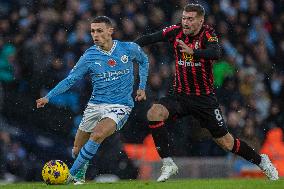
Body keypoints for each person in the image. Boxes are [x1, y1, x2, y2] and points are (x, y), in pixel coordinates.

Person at [135, 3, 279, 182]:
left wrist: (193, 52)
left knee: (227, 142)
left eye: (190, 19)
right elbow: (150, 38)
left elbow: (215, 53)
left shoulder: (208, 34)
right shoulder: (176, 31)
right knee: (154, 113)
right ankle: (168, 163)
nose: (185, 22)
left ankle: (261, 161)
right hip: (179, 95)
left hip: (204, 100)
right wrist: (126, 48)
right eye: (184, 18)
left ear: (200, 21)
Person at [36, 16, 149, 184]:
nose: (95, 35)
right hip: (95, 105)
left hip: (120, 105)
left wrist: (142, 86)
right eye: (93, 31)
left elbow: (144, 60)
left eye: (99, 31)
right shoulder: (89, 56)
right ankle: (80, 175)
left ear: (110, 31)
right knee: (77, 149)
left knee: (97, 135)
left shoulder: (128, 48)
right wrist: (48, 96)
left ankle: (69, 175)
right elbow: (70, 80)